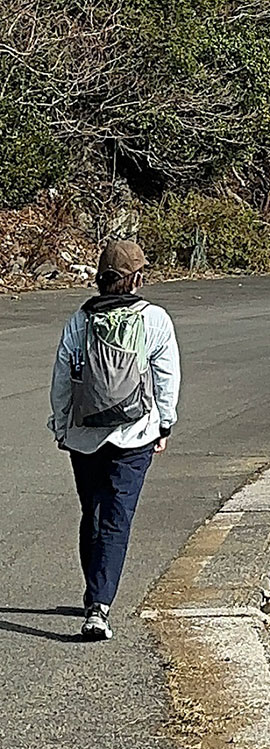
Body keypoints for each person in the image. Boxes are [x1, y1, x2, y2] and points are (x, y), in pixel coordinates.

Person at [49, 239, 180, 641]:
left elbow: (62, 377)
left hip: (85, 435)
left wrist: (61, 425)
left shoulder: (80, 319)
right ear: (137, 278)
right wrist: (164, 425)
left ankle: (95, 593)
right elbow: (165, 378)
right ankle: (99, 608)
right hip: (135, 433)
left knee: (93, 513)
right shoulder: (154, 319)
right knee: (116, 517)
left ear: (100, 278)